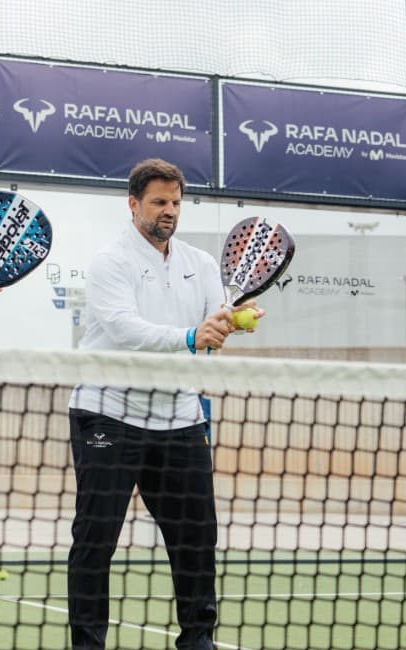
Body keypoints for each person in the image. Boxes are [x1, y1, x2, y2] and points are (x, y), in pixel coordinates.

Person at [67, 159, 263, 650]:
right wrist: (193, 336)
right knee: (96, 538)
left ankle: (198, 640)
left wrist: (232, 322)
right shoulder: (111, 261)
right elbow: (125, 329)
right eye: (159, 202)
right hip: (108, 411)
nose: (169, 210)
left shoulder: (201, 264)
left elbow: (212, 325)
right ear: (133, 204)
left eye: (175, 202)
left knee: (196, 536)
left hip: (179, 417)